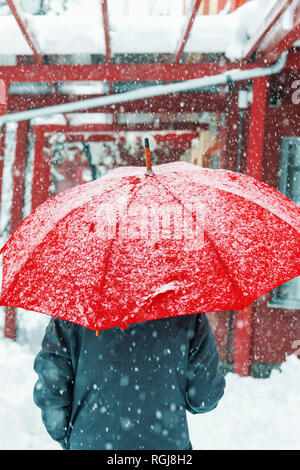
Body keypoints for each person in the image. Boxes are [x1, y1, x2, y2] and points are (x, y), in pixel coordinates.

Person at [33, 312, 226, 450]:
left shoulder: (74, 309)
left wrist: (72, 439)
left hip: (90, 442)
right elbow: (204, 397)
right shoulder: (186, 310)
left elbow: (52, 391)